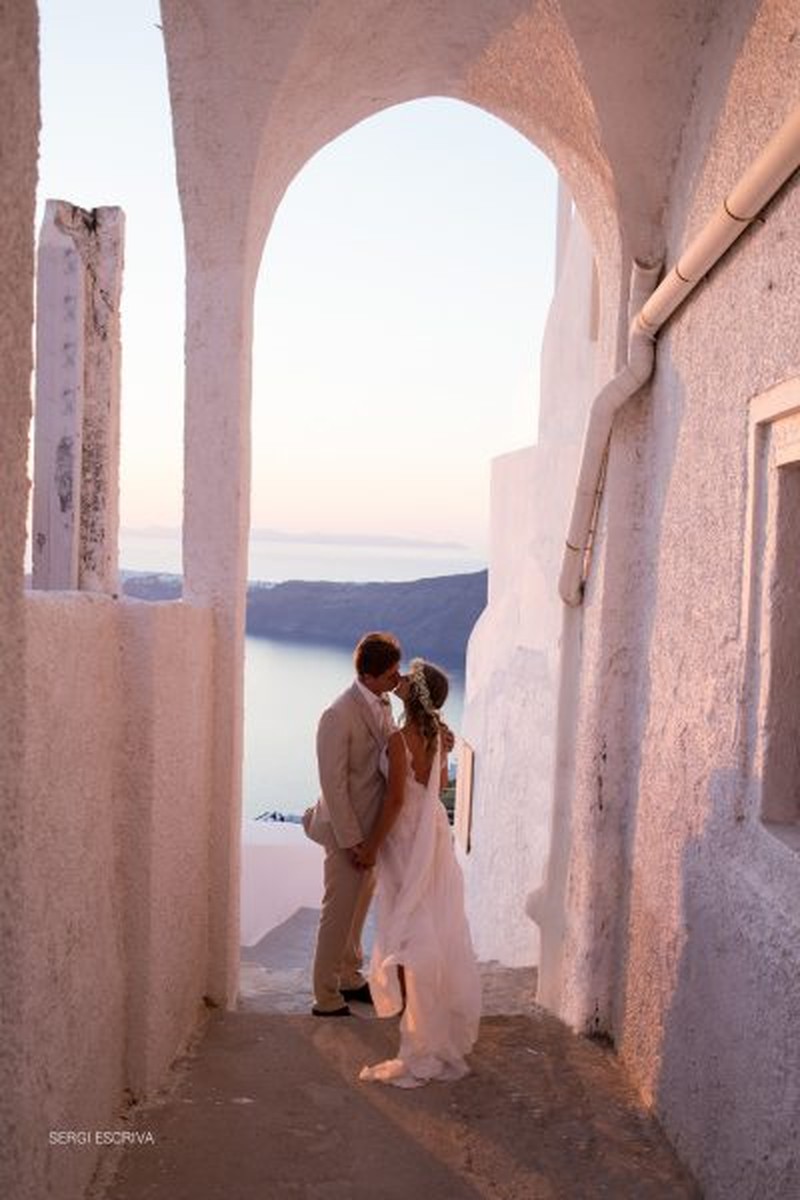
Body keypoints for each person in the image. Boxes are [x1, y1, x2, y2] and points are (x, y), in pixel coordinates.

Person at [354, 658, 481, 1087]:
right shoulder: (437, 737)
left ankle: (419, 1024)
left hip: (404, 838)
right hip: (432, 834)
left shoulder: (398, 738)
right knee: (429, 922)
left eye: (408, 678)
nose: (401, 679)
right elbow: (438, 789)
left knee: (407, 928)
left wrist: (371, 845)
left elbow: (393, 802)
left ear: (416, 692)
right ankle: (427, 1015)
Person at [305, 631, 402, 1017]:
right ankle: (324, 996)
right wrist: (352, 841)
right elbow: (333, 784)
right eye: (392, 674)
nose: (397, 680)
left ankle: (349, 975)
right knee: (338, 913)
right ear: (370, 675)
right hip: (348, 833)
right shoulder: (337, 714)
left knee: (358, 910)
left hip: (372, 831)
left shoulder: (382, 704)